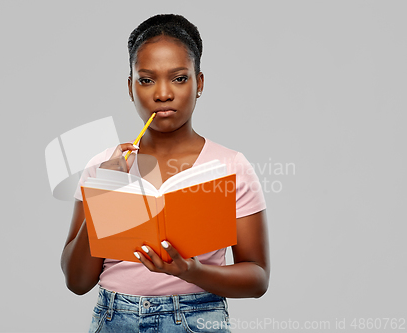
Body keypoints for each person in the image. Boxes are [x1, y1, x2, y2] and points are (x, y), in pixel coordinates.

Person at [61, 14, 270, 332]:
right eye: (146, 80)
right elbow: (77, 281)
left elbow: (257, 278)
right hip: (115, 319)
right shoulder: (103, 166)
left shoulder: (232, 167)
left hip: (197, 319)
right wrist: (106, 192)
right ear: (130, 87)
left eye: (179, 78)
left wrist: (191, 271)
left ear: (199, 83)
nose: (162, 94)